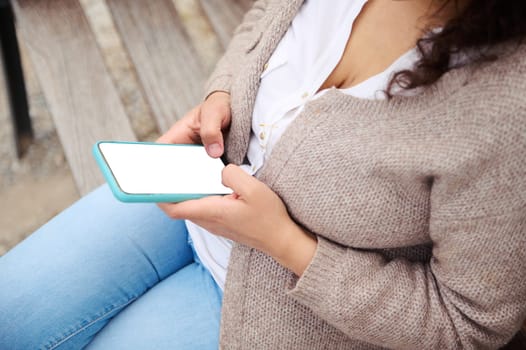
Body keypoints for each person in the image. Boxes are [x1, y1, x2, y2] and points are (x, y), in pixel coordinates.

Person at [1, 0, 525, 348]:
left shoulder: (506, 107)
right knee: (11, 308)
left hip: (286, 315)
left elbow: (466, 323)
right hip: (193, 188)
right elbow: (264, 21)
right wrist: (223, 93)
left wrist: (283, 241)